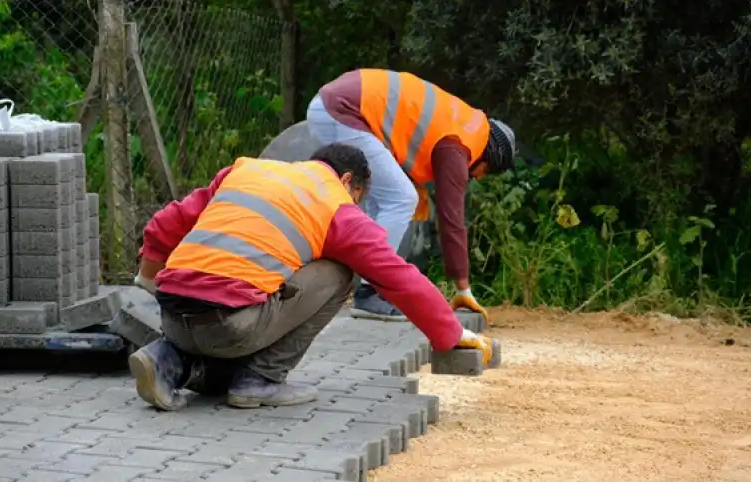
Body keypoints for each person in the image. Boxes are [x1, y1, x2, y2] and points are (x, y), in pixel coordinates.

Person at [128, 143, 496, 411]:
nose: (355, 207)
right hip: (229, 326)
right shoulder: (336, 205)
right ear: (348, 181)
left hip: (171, 313)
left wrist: (146, 282)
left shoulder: (245, 171)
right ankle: (261, 379)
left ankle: (169, 359)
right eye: (358, 198)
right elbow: (398, 277)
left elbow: (166, 222)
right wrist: (452, 333)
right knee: (342, 273)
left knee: (230, 292)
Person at [306, 69, 516, 323]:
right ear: (489, 155)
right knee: (401, 198)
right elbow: (452, 220)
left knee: (378, 204)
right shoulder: (457, 145)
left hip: (334, 106)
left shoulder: (461, 124)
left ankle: (349, 286)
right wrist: (463, 287)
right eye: (487, 171)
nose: (480, 177)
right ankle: (370, 292)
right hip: (343, 111)